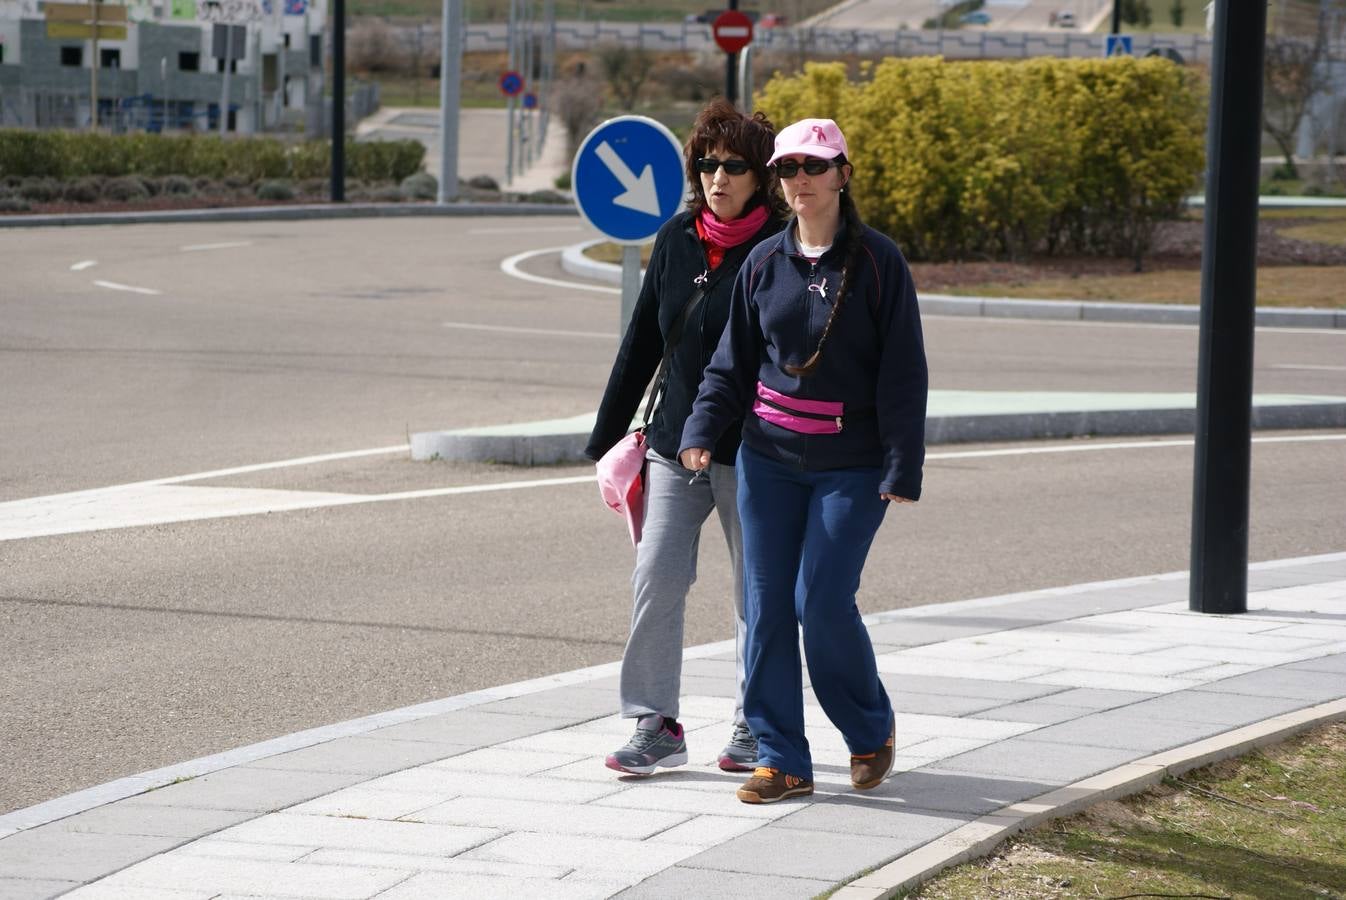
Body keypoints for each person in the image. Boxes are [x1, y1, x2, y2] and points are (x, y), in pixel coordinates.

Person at [679, 118, 928, 803]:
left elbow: (904, 374)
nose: (799, 181)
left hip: (851, 465)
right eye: (787, 169)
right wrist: (702, 427)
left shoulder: (879, 262)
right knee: (764, 606)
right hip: (768, 461)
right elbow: (731, 363)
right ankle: (783, 757)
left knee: (819, 603)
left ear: (843, 174)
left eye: (813, 168)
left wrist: (902, 465)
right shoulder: (763, 263)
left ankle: (869, 730)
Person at [585, 99, 788, 776]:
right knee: (656, 578)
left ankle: (756, 725)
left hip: (753, 450)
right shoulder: (675, 240)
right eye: (706, 164)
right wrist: (606, 435)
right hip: (674, 445)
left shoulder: (781, 250)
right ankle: (655, 721)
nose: (717, 178)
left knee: (755, 591)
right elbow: (644, 336)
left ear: (760, 176)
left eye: (733, 166)